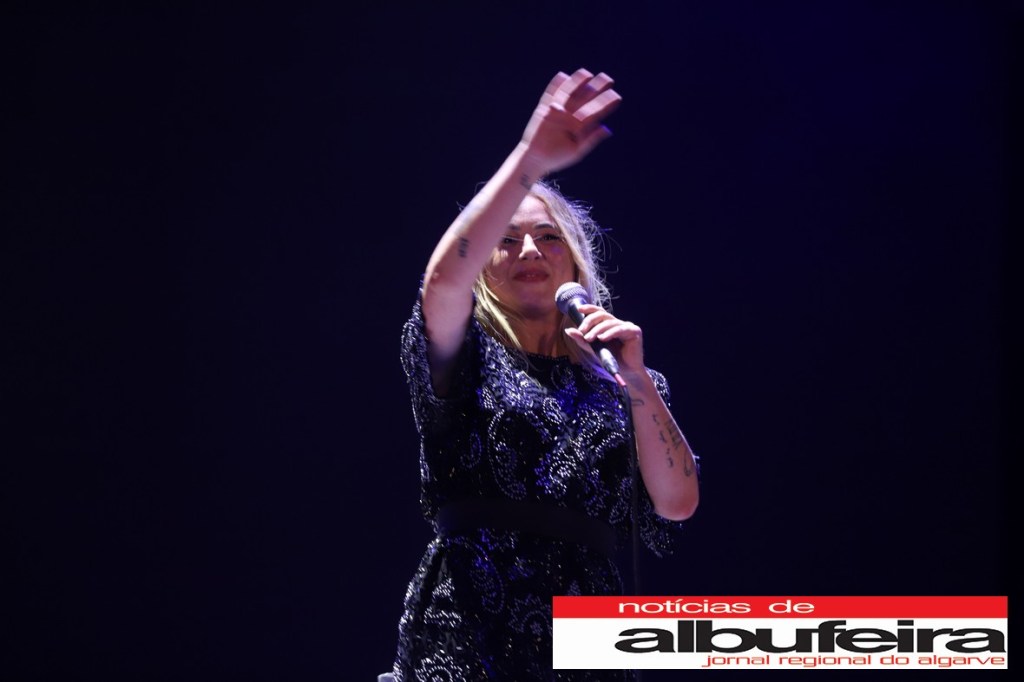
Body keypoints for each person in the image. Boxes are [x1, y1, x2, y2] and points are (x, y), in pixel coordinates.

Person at [388, 68, 700, 682]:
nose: (529, 251)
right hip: (474, 619)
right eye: (507, 240)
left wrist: (639, 383)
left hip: (591, 631)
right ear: (484, 267)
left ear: (575, 263)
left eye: (548, 238)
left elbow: (678, 503)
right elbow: (442, 283)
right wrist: (531, 158)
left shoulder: (620, 378)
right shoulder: (468, 353)